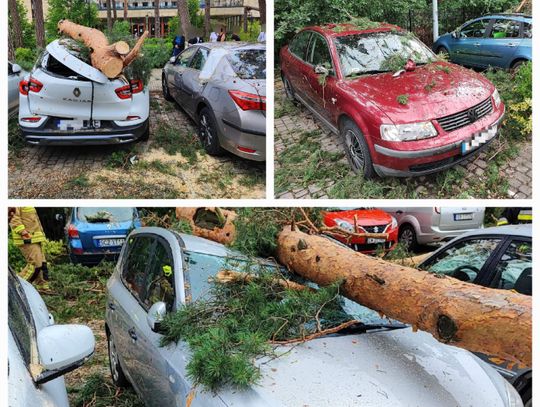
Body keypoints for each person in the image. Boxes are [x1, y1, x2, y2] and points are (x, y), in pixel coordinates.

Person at [9, 207, 50, 292]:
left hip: (35, 238)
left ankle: (42, 286)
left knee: (42, 264)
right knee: (35, 264)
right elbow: (13, 219)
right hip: (26, 239)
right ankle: (16, 286)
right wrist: (23, 232)